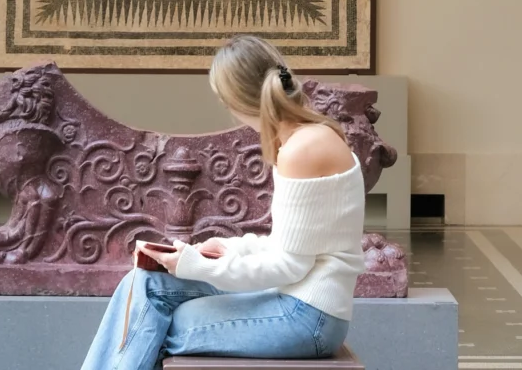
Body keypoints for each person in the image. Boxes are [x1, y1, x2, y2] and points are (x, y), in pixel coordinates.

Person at [80, 35, 366, 370]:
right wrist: (229, 249)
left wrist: (194, 266)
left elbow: (289, 266)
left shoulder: (301, 150)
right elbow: (291, 247)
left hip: (307, 317)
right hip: (295, 300)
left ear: (235, 100)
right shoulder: (308, 137)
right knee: (144, 283)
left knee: (152, 319)